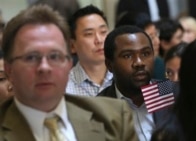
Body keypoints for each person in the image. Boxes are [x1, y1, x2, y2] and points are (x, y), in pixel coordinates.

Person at [0, 5, 138, 141]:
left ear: (68, 64)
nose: (44, 67)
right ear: (9, 70)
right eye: (31, 57)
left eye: (54, 56)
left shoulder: (113, 118)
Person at [98, 25, 177, 141]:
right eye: (128, 56)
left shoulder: (170, 90)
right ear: (109, 65)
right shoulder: (99, 108)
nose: (139, 63)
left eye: (145, 54)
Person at [66, 5, 113, 97]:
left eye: (103, 32)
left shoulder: (126, 77)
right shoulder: (64, 89)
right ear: (72, 46)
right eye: (89, 34)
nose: (99, 40)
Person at [115, 11, 165, 80]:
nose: (157, 41)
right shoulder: (117, 70)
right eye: (151, 37)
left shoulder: (160, 65)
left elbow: (166, 90)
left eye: (156, 34)